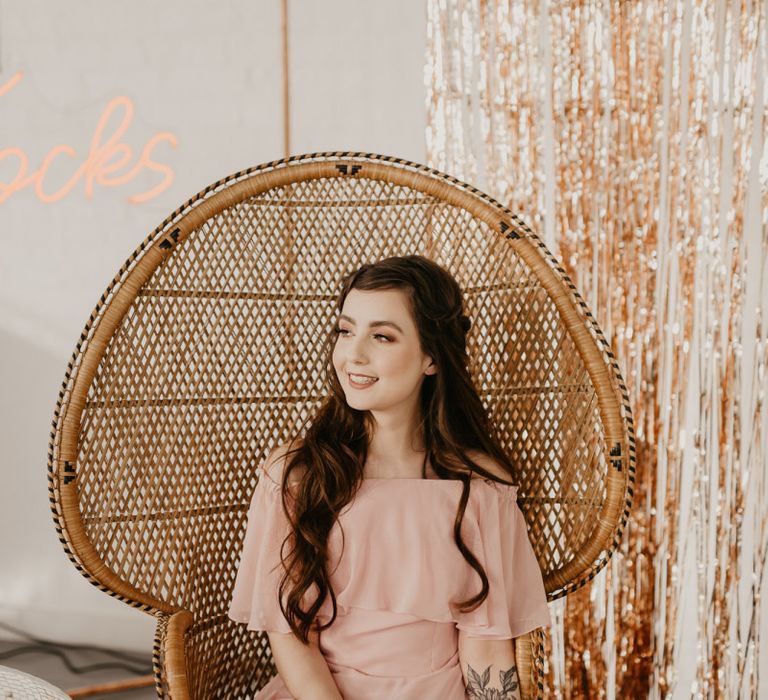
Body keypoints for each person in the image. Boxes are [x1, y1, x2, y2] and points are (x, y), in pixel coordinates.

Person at [228, 255, 551, 699]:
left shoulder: (479, 485)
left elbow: (487, 644)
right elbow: (290, 634)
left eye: (381, 336)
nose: (352, 354)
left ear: (432, 358)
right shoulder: (299, 474)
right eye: (345, 330)